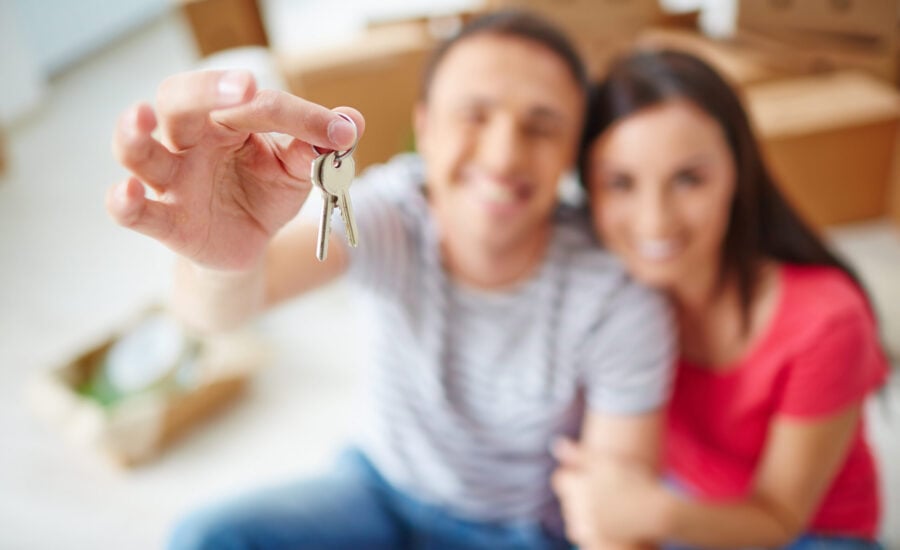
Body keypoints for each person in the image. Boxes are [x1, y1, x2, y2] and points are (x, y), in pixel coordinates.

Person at [108, 11, 675, 550]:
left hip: (519, 531)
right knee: (211, 537)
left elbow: (615, 510)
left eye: (542, 126)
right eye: (474, 115)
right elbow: (217, 312)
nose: (504, 157)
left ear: (572, 154)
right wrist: (222, 260)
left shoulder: (618, 297)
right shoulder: (393, 210)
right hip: (378, 488)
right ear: (424, 129)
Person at [551, 49, 890, 550]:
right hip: (682, 498)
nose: (655, 221)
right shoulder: (608, 300)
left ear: (738, 172)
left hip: (811, 533)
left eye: (688, 179)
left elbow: (779, 518)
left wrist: (652, 512)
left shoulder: (824, 321)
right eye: (620, 183)